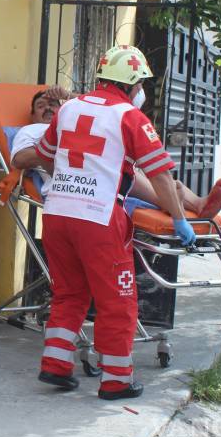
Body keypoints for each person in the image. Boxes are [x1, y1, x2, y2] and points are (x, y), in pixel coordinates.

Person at [15, 45, 195, 400]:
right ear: (132, 84)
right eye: (140, 83)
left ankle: (55, 365)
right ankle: (117, 380)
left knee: (69, 292)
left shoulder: (69, 108)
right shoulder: (131, 117)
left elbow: (46, 156)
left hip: (57, 214)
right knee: (118, 300)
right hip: (98, 218)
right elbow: (160, 175)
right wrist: (180, 220)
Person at [9, 88, 221, 217]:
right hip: (77, 181)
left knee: (135, 162)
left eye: (53, 104)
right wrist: (61, 145)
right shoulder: (31, 131)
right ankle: (170, 202)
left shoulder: (75, 116)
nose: (48, 108)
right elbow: (19, 159)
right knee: (121, 169)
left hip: (102, 167)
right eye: (40, 105)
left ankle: (197, 203)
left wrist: (68, 94)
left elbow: (100, 104)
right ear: (31, 114)